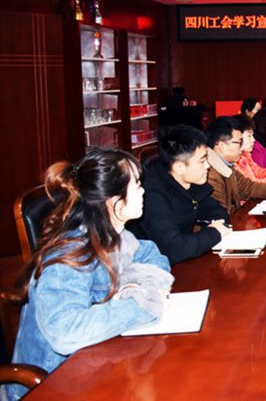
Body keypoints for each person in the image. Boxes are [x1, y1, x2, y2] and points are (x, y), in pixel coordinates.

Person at [5, 149, 173, 400]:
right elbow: (65, 332)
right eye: (137, 185)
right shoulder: (71, 254)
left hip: (97, 365)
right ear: (113, 200)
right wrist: (142, 303)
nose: (143, 191)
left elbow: (152, 256)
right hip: (53, 383)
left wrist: (134, 286)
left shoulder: (112, 235)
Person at [129, 125, 231, 264]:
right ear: (179, 167)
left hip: (182, 263)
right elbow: (174, 249)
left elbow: (217, 210)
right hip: (150, 268)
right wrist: (214, 233)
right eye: (202, 161)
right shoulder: (152, 195)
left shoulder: (189, 181)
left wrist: (216, 227)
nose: (208, 166)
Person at [205, 116, 266, 214]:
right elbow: (221, 213)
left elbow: (249, 187)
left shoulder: (226, 166)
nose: (241, 146)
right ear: (221, 146)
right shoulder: (210, 174)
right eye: (239, 142)